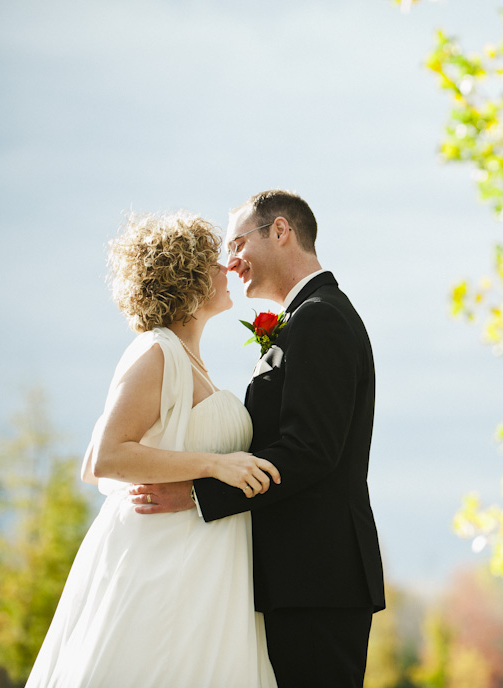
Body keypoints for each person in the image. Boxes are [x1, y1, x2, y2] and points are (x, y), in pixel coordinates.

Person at [134, 190, 385, 686]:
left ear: (280, 231)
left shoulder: (320, 319)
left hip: (316, 580)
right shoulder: (306, 318)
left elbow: (309, 451)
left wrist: (195, 494)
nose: (230, 263)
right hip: (299, 579)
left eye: (237, 244)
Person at [26, 213, 278, 688]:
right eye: (212, 262)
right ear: (187, 279)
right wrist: (213, 465)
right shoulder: (157, 352)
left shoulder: (189, 360)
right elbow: (105, 458)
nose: (226, 269)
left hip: (207, 565)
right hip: (165, 562)